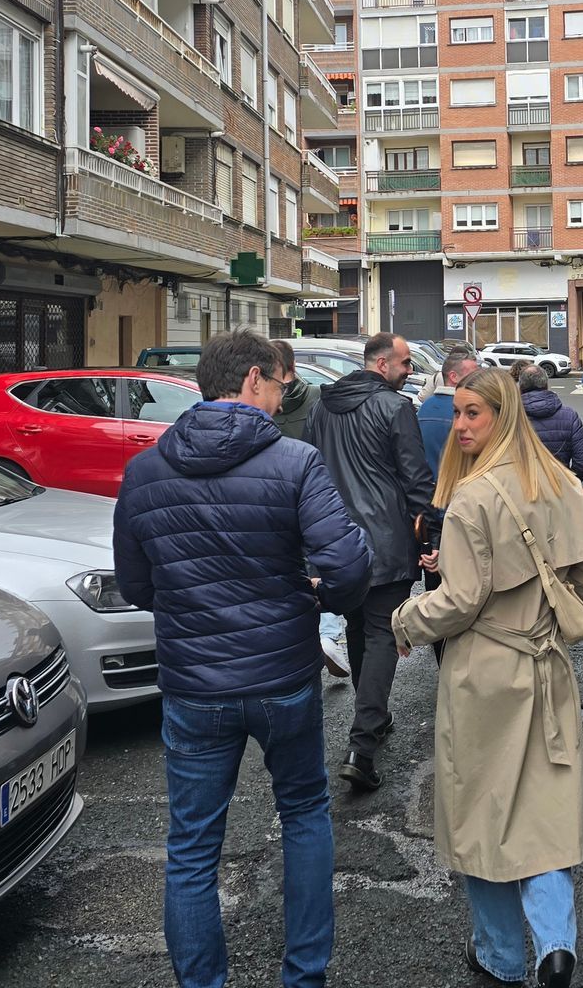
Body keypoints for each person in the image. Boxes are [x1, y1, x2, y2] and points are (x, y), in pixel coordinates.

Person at [113, 331, 373, 988]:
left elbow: (137, 585)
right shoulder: (295, 462)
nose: (284, 399)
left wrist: (191, 602)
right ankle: (303, 977)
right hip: (282, 676)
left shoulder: (144, 471)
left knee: (192, 847)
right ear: (254, 379)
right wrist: (319, 599)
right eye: (282, 386)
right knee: (304, 814)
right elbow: (347, 566)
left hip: (194, 685)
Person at [392, 368, 583, 988]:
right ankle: (555, 945)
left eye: (472, 413)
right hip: (546, 665)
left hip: (484, 672)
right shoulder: (561, 482)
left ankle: (502, 955)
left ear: (501, 415)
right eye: (457, 412)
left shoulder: (472, 497)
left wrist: (405, 620)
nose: (459, 425)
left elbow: (459, 600)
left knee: (480, 815)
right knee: (544, 811)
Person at [305, 332, 438, 792]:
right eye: (405, 363)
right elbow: (416, 478)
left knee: (359, 626)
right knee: (383, 632)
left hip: (336, 541)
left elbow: (310, 473)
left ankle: (373, 719)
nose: (409, 371)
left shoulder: (321, 408)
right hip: (386, 540)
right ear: (382, 364)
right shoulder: (395, 408)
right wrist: (431, 536)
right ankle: (362, 746)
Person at [268, 342, 350, 682]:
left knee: (288, 565)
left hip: (274, 498)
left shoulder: (261, 405)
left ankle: (301, 635)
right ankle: (326, 634)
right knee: (320, 562)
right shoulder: (318, 397)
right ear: (293, 367)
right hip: (315, 492)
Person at [518, 364, 583, 480]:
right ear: (546, 384)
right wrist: (569, 483)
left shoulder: (511, 418)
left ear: (520, 387)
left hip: (523, 486)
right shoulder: (569, 416)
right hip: (559, 485)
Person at [419, 344, 481, 472]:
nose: (479, 380)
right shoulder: (470, 412)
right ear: (453, 377)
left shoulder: (424, 408)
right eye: (473, 375)